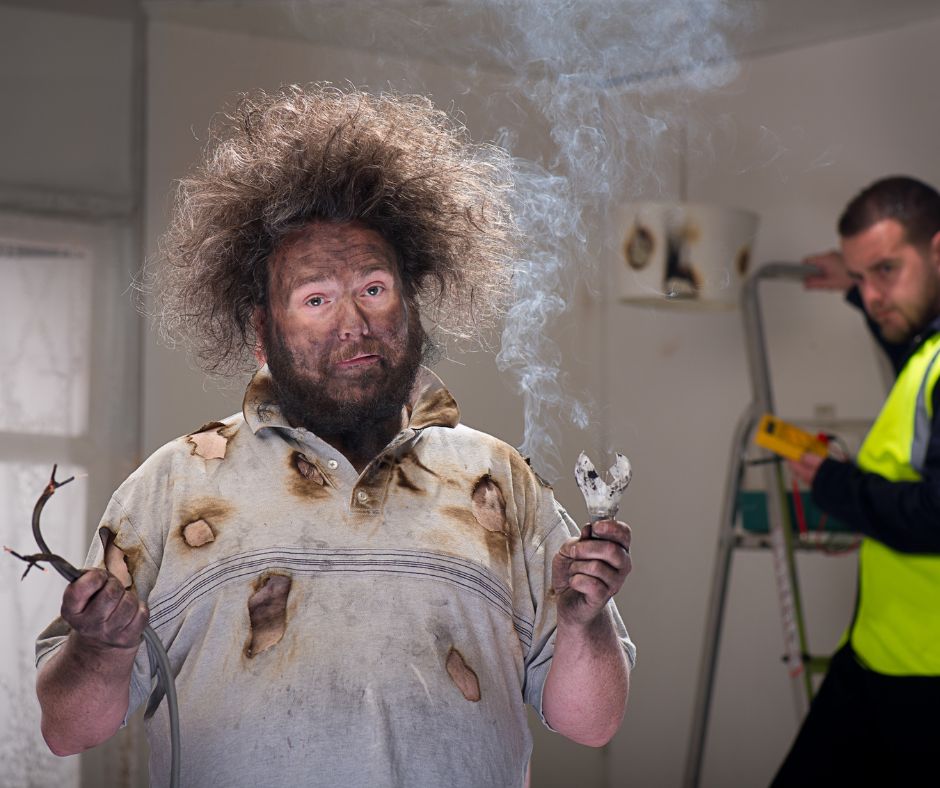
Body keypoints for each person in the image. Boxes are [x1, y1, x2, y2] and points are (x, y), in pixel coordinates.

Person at [33, 85, 635, 787]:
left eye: (374, 289)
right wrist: (101, 651)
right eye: (315, 299)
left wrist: (584, 622)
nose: (353, 322)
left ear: (412, 304)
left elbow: (591, 723)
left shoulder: (499, 481)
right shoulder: (176, 485)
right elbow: (68, 729)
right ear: (262, 332)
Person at [773, 176, 940, 786]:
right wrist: (856, 285)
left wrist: (833, 484)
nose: (873, 296)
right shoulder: (925, 351)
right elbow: (909, 343)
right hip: (877, 659)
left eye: (886, 270)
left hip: (926, 687)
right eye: (861, 277)